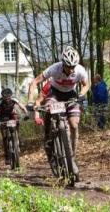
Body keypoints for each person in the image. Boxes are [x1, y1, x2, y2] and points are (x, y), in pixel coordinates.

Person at [27, 46, 90, 181]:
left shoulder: (79, 70)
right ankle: (49, 139)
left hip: (71, 96)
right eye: (69, 66)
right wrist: (30, 101)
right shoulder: (54, 68)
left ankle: (72, 156)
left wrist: (81, 94)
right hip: (55, 95)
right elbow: (34, 82)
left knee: (74, 125)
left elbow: (86, 84)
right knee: (49, 108)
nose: (71, 69)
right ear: (63, 64)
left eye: (73, 66)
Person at [0, 88, 28, 164]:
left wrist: (26, 114)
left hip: (11, 115)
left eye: (9, 97)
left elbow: (22, 107)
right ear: (3, 97)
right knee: (5, 138)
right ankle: (7, 157)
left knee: (16, 122)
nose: (7, 99)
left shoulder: (14, 99)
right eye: (5, 98)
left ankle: (17, 139)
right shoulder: (0, 102)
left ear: (11, 96)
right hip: (3, 117)